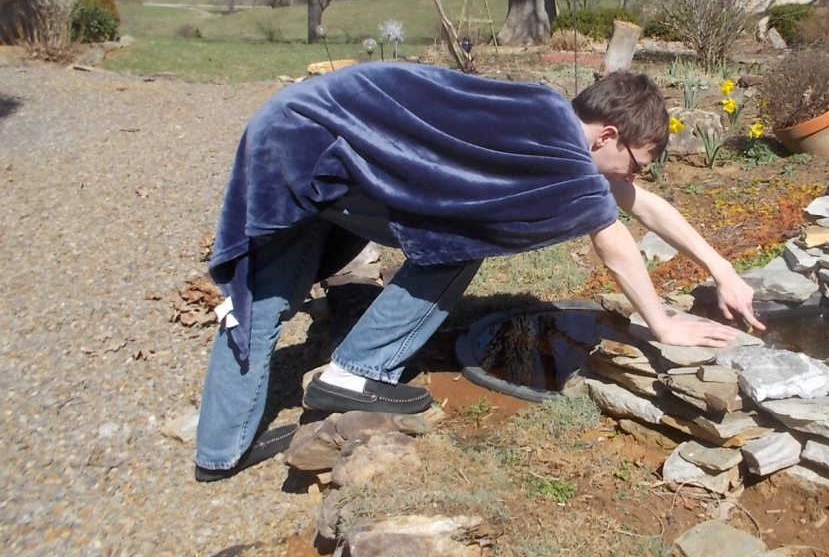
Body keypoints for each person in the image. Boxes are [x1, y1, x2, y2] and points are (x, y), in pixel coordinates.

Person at [194, 62, 763, 481]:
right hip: (314, 142)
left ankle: (218, 454)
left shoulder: (545, 112)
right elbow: (614, 244)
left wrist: (724, 271)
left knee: (258, 300)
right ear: (608, 135)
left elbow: (642, 205)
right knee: (458, 240)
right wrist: (663, 324)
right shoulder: (563, 157)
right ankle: (356, 372)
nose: (632, 176)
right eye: (637, 161)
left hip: (293, 125)